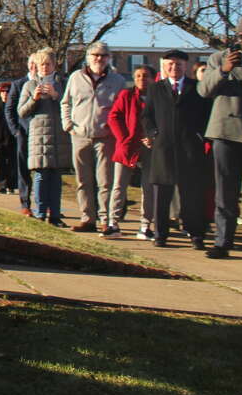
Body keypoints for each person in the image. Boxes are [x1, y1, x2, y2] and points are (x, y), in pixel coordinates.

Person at [142, 50, 212, 249]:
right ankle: (161, 235)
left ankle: (196, 234)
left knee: (191, 195)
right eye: (170, 64)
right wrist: (153, 134)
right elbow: (147, 116)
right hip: (163, 149)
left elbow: (206, 115)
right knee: (162, 196)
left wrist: (200, 136)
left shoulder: (196, 87)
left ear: (186, 67)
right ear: (164, 66)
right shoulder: (155, 89)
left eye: (179, 64)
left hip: (189, 149)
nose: (174, 68)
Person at [198, 12, 242, 259]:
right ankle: (222, 243)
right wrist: (224, 69)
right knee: (225, 191)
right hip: (226, 134)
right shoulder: (220, 58)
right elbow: (204, 90)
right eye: (241, 36)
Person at [61, 41, 124, 235]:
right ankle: (87, 218)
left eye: (103, 55)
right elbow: (66, 102)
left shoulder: (117, 81)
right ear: (88, 57)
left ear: (109, 59)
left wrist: (112, 130)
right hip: (79, 135)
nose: (99, 58)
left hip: (105, 137)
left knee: (105, 181)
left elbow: (120, 109)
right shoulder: (76, 77)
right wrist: (68, 124)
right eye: (95, 55)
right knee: (82, 180)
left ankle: (106, 220)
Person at [18, 48, 71, 227]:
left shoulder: (63, 83)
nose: (45, 68)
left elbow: (70, 105)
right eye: (42, 64)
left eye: (48, 64)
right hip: (39, 137)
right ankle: (40, 212)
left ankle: (55, 215)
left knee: (56, 177)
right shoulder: (30, 85)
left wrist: (57, 96)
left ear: (54, 65)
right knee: (41, 176)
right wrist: (35, 98)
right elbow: (21, 111)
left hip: (58, 136)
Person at [109, 65, 156, 240]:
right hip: (127, 146)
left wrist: (153, 137)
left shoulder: (158, 97)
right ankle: (113, 223)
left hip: (150, 147)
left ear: (153, 78)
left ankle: (145, 225)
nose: (141, 79)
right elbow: (114, 116)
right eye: (137, 76)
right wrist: (123, 137)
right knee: (119, 185)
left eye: (145, 76)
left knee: (148, 187)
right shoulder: (126, 95)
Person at [4, 55, 38, 216]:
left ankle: (44, 203)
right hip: (23, 133)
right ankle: (25, 203)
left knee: (42, 171)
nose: (34, 67)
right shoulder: (18, 85)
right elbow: (9, 110)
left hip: (41, 134)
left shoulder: (46, 84)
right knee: (23, 170)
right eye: (31, 63)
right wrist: (16, 131)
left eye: (36, 64)